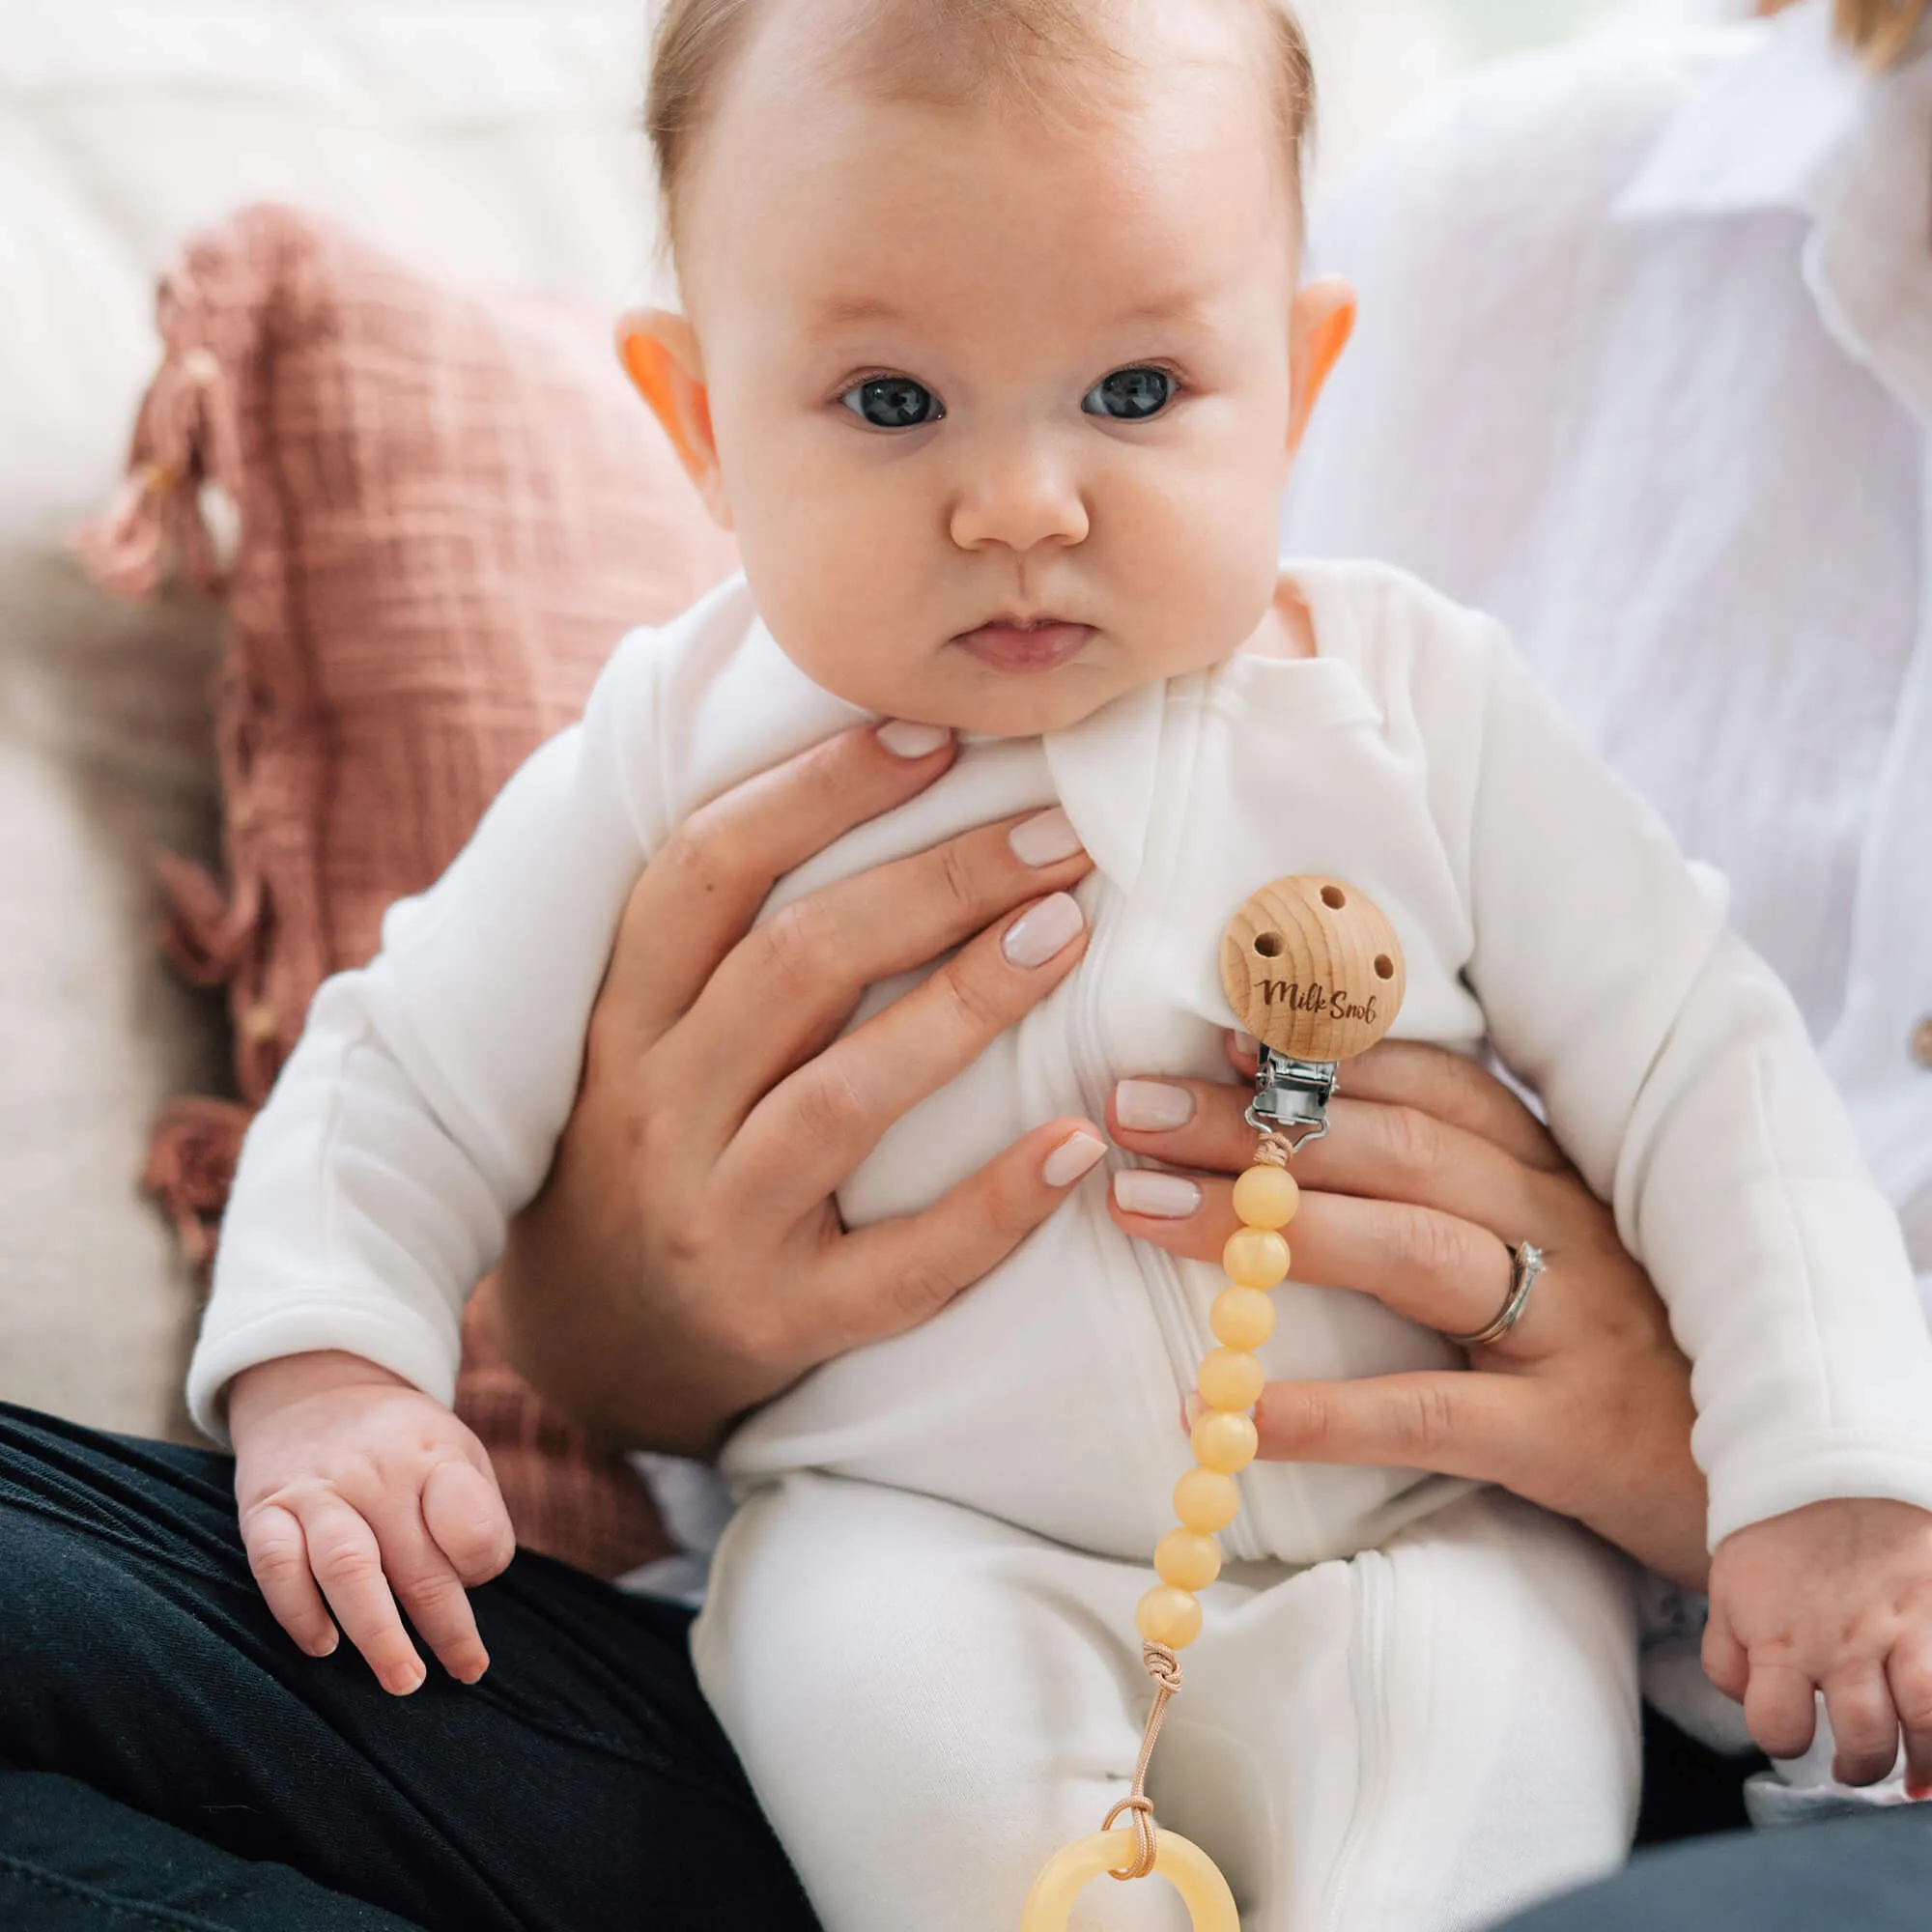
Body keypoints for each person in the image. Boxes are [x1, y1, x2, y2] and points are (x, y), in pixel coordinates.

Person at [183, 0, 1932, 1926]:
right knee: (878, 1698)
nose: (1019, 502)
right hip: (917, 1526)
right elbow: (405, 1057)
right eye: (888, 401)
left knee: (1469, 1762)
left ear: (1295, 376)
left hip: (1415, 1544)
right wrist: (333, 1365)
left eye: (1131, 392)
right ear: (695, 420)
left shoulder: (1420, 709)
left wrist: (1828, 1469)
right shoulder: (673, 741)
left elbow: (1711, 1072)